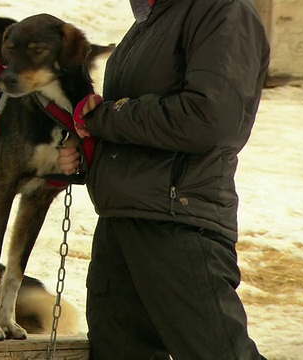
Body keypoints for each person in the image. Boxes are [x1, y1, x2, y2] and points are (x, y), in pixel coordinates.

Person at [58, 0, 271, 359]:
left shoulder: (222, 10)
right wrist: (87, 153)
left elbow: (209, 119)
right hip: (121, 221)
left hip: (178, 221)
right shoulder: (150, 21)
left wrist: (105, 118)